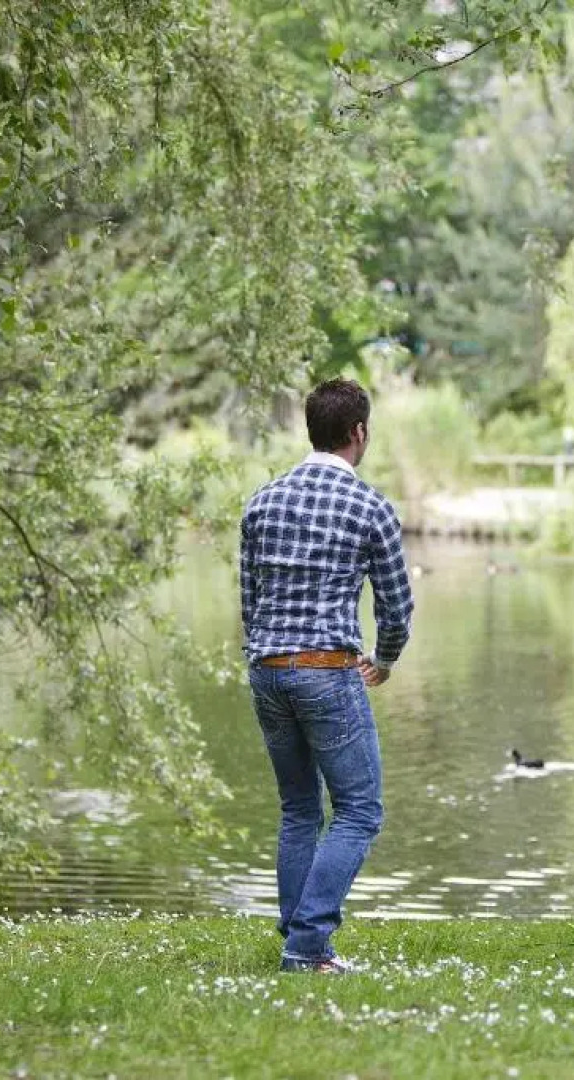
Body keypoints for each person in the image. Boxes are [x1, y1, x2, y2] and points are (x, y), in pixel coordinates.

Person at [239, 378, 414, 973]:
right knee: (360, 810)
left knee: (298, 809)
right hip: (327, 670)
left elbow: (250, 600)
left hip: (267, 669)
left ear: (311, 429)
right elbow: (396, 605)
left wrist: (264, 655)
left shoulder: (261, 502)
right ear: (358, 432)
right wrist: (385, 659)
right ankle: (308, 945)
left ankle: (298, 937)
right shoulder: (370, 507)